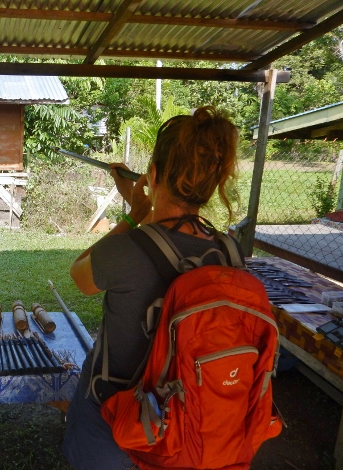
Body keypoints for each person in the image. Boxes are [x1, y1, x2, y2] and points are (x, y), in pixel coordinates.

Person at [62, 106, 241, 469]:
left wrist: (135, 214)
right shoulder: (229, 252)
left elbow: (79, 273)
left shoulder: (125, 249)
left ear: (154, 175)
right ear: (211, 185)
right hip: (189, 414)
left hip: (116, 415)